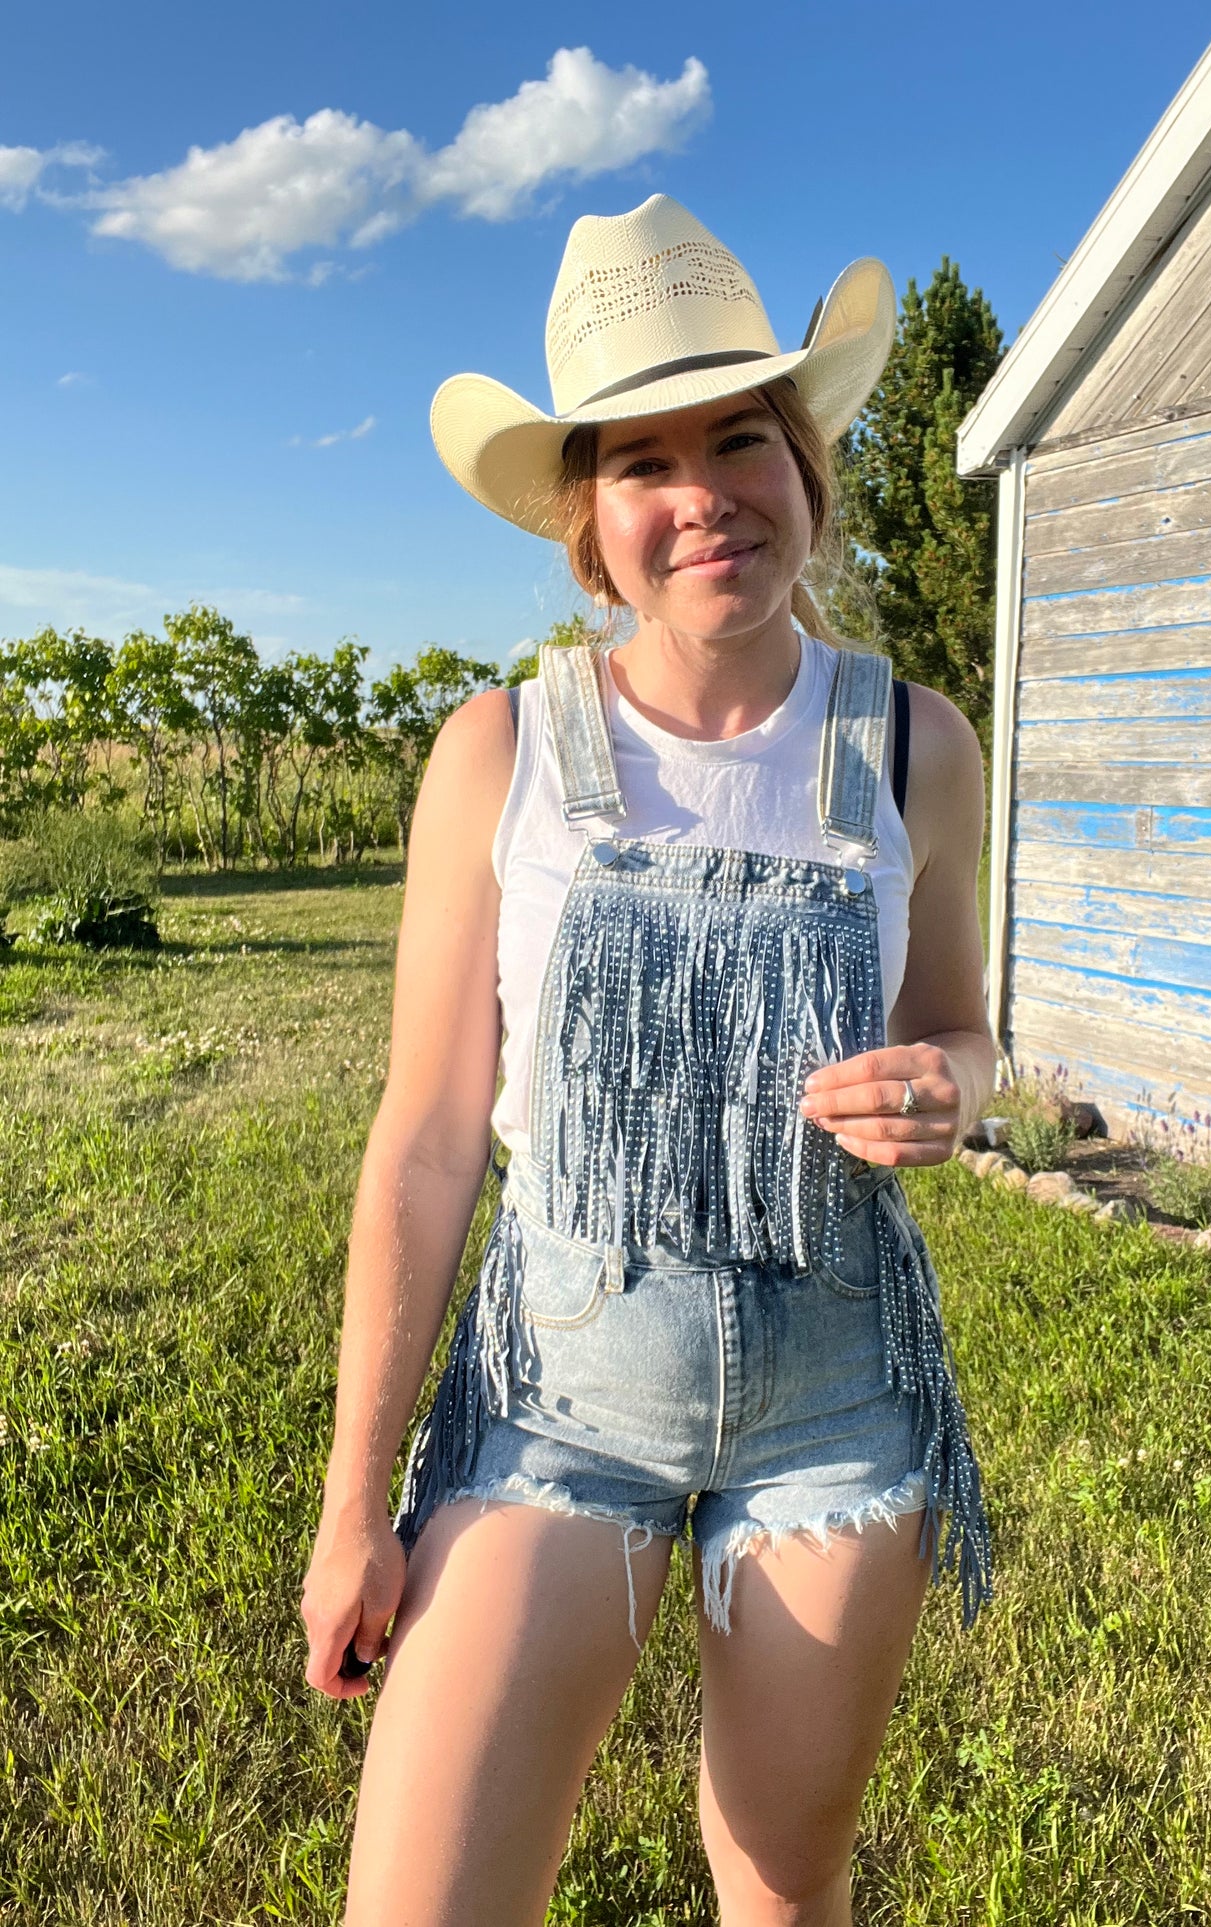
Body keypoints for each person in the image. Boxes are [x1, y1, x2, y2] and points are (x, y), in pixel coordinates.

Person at [301, 192, 997, 1926]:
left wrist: (957, 1088)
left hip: (838, 1407)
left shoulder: (915, 742)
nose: (703, 495)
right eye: (642, 462)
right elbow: (430, 1134)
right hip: (555, 1405)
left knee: (779, 1886)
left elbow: (961, 1024)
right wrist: (351, 1504)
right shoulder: (496, 752)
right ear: (587, 524)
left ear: (806, 465)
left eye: (740, 438)